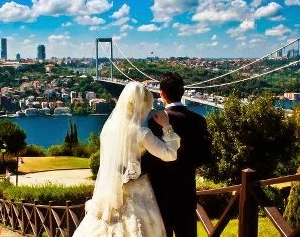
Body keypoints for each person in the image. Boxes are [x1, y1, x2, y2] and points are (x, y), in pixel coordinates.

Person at [73, 81, 180, 237]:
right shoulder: (142, 133)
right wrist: (166, 126)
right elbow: (170, 154)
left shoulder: (108, 129)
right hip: (138, 191)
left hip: (111, 191)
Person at [142, 72, 211, 237]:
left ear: (161, 94)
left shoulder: (154, 120)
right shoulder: (199, 120)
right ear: (183, 92)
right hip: (186, 191)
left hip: (160, 192)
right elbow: (204, 157)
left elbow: (148, 160)